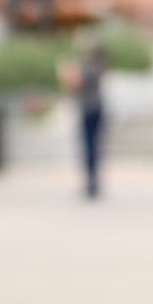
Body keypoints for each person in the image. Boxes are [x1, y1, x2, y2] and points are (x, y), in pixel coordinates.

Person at [60, 39, 107, 200]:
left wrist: (66, 71)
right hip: (97, 107)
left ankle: (91, 182)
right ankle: (92, 181)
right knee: (93, 145)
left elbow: (75, 84)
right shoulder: (100, 65)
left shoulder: (89, 66)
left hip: (88, 108)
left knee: (89, 146)